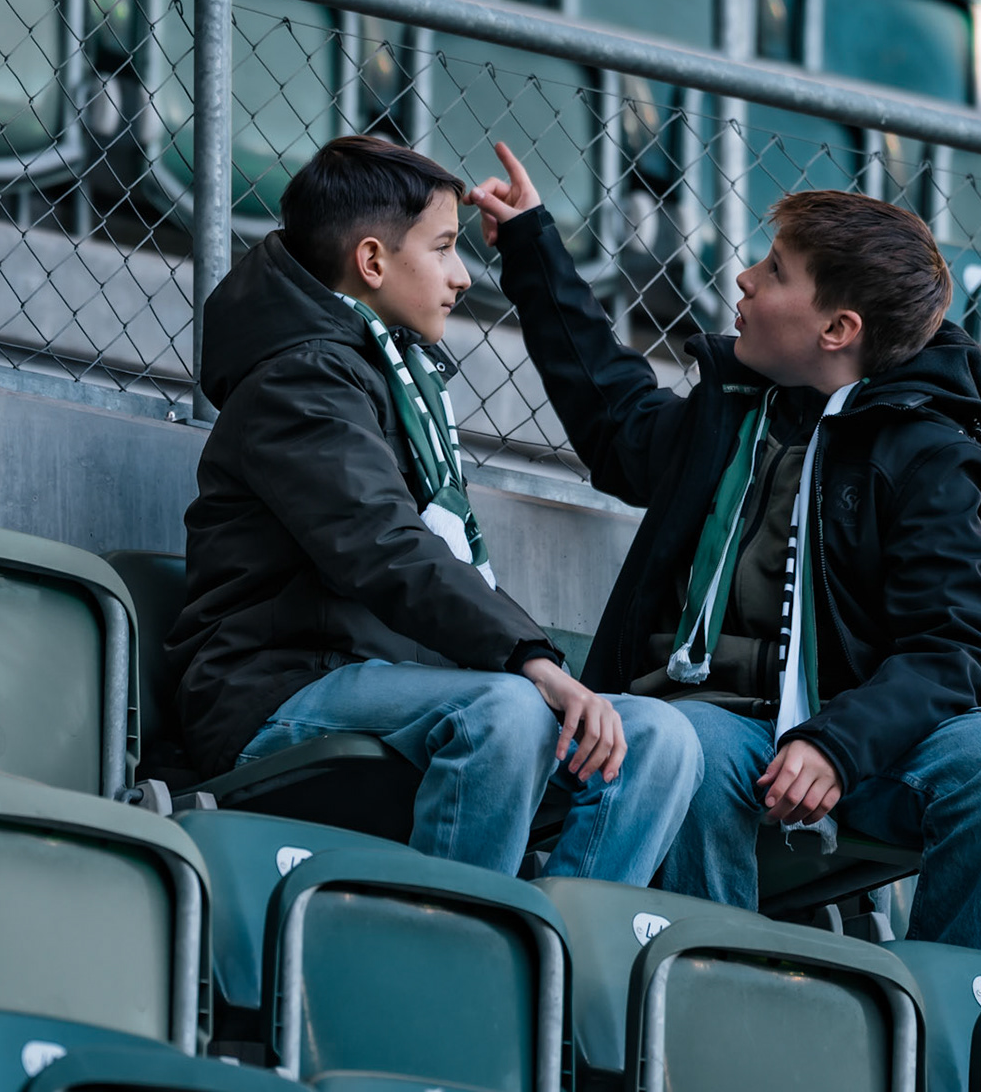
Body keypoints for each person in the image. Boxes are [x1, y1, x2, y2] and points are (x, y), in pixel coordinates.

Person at [471, 142, 981, 951]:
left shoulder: (927, 453)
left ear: (838, 329)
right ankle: (714, 987)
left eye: (775, 271)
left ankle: (945, 1009)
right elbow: (614, 420)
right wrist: (533, 247)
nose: (744, 280)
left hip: (855, 741)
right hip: (713, 727)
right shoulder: (734, 409)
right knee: (695, 745)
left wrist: (838, 743)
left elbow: (957, 646)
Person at [165, 135, 702, 883]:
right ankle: (453, 941)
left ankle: (554, 943)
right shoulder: (299, 382)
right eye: (443, 248)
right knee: (506, 713)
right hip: (278, 688)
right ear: (373, 261)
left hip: (400, 679)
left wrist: (527, 665)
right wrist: (532, 659)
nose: (460, 274)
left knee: (660, 739)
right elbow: (385, 547)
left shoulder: (397, 373)